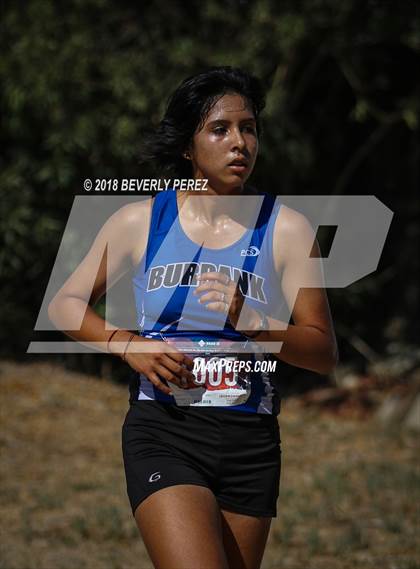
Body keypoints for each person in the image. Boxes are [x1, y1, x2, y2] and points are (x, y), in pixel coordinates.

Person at [48, 66, 338, 569]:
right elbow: (65, 304)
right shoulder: (141, 220)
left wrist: (254, 320)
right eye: (220, 129)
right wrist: (127, 344)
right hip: (166, 431)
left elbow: (323, 353)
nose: (239, 143)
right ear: (188, 145)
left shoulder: (288, 229)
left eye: (249, 128)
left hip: (250, 443)